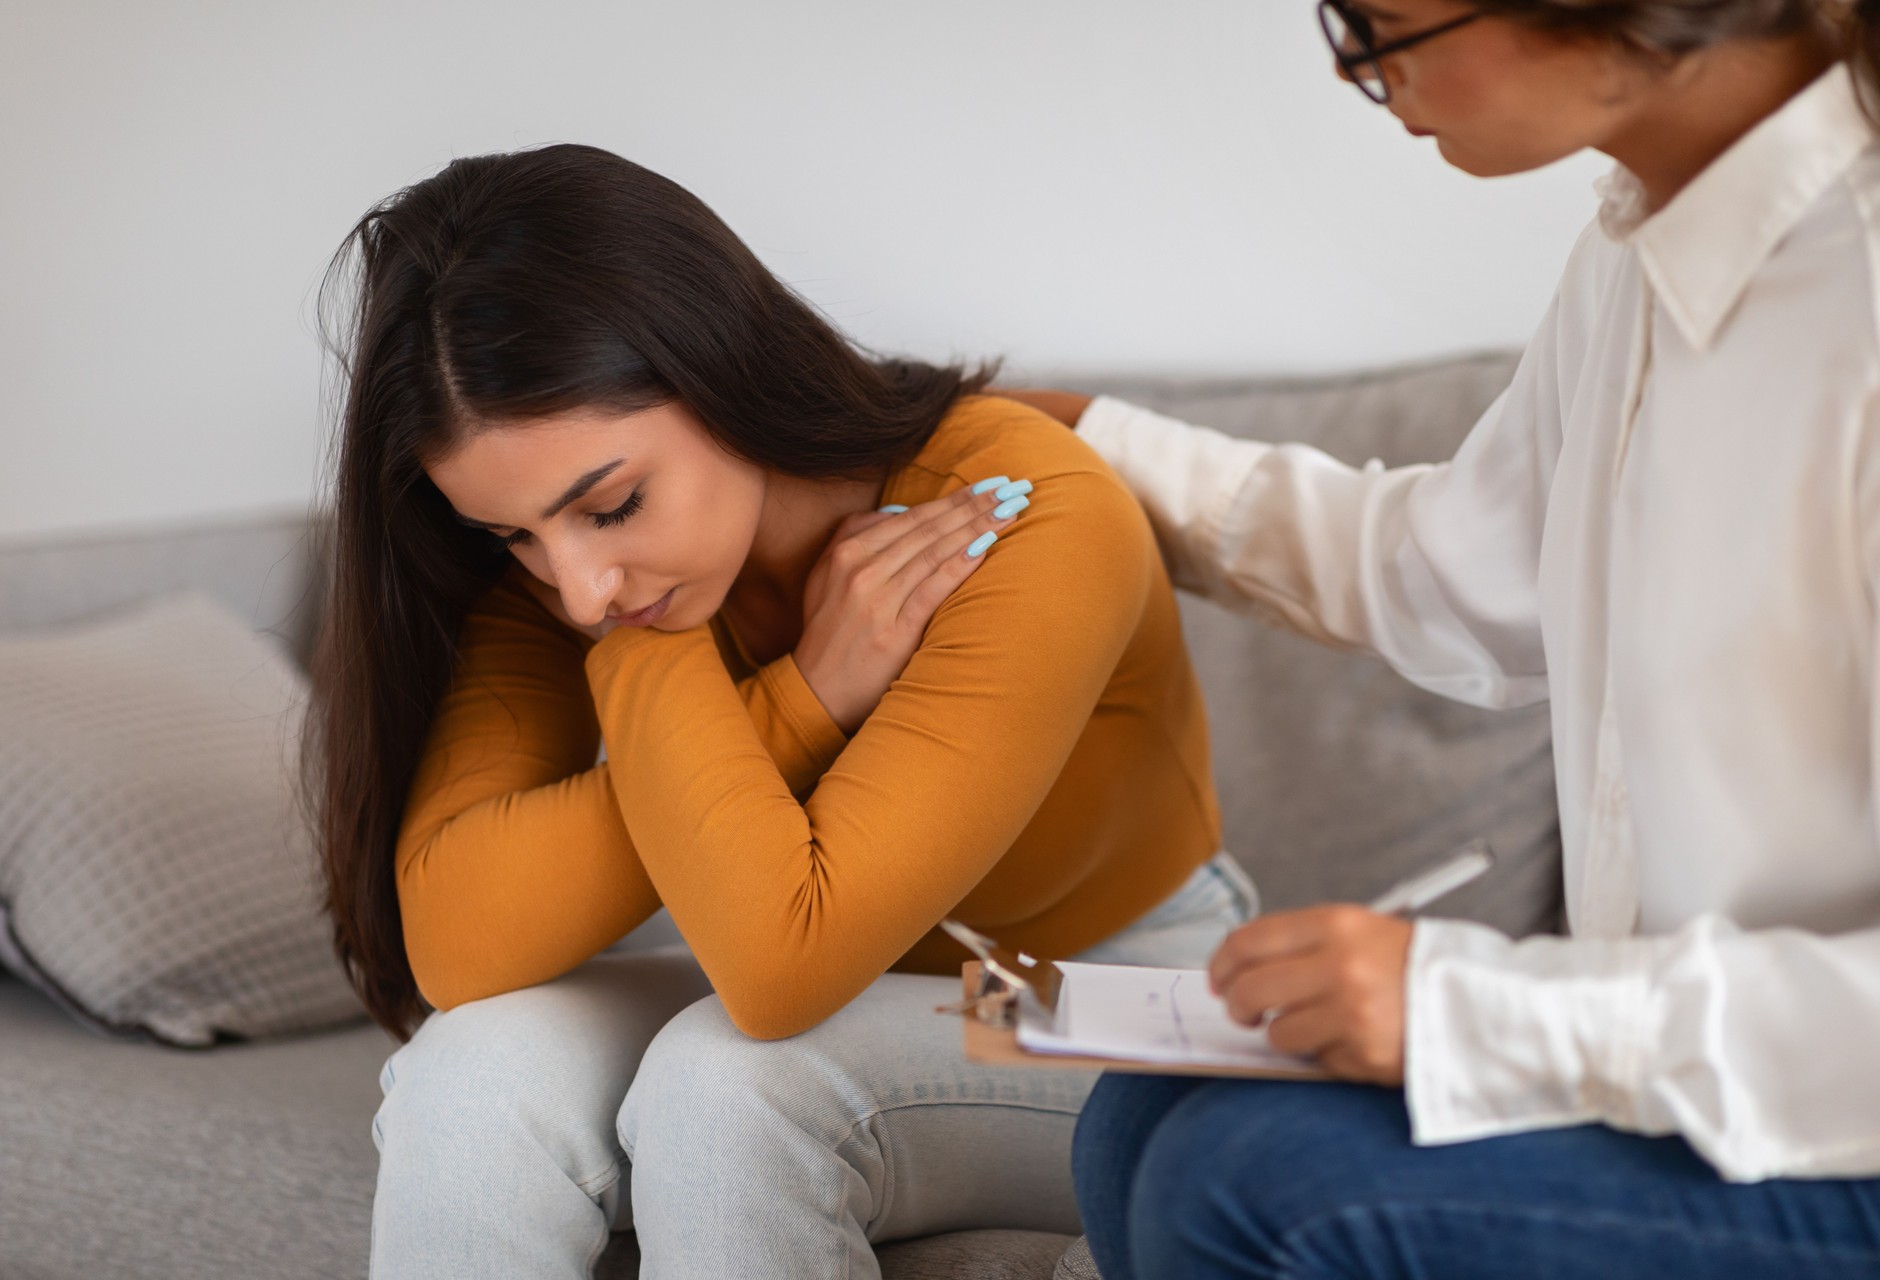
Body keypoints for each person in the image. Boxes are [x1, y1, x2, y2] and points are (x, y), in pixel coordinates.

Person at [1007, 0, 1880, 1274]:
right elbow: (1460, 571)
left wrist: (1470, 1013)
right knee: (1142, 1113)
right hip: (1752, 1073)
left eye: (1375, 19)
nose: (1352, 67)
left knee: (1255, 1181)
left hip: (1879, 1132)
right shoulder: (1644, 244)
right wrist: (1091, 447)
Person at [303, 144, 1257, 1279]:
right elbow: (460, 942)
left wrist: (647, 668)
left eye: (611, 505)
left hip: (1126, 997)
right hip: (866, 996)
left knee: (730, 1078)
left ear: (720, 366)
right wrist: (803, 693)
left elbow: (776, 965)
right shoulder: (587, 580)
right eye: (512, 536)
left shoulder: (1013, 510)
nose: (578, 588)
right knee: (473, 1074)